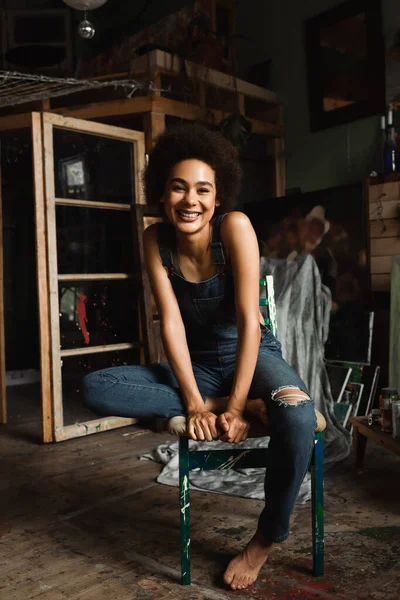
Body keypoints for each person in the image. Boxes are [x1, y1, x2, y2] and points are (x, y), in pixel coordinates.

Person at [83, 123, 317, 591]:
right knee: (95, 387)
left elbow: (251, 322)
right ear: (162, 193)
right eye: (178, 187)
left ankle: (264, 540)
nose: (190, 200)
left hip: (253, 357)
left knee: (297, 416)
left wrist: (235, 405)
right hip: (198, 369)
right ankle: (240, 405)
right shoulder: (155, 240)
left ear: (217, 197)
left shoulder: (234, 227)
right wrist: (195, 403)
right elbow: (170, 321)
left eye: (202, 190)